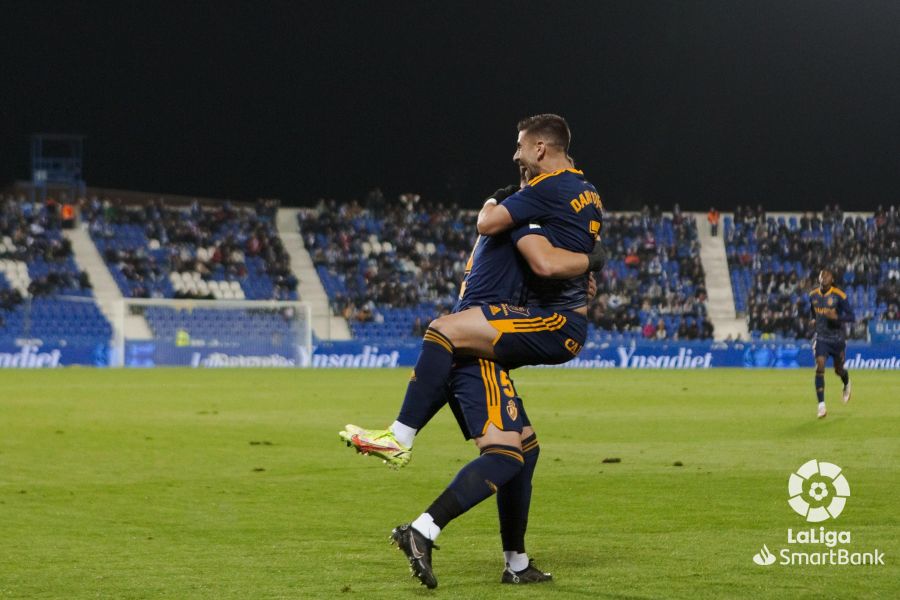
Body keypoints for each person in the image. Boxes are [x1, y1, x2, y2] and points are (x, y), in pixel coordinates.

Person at [341, 114, 603, 465]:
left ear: (540, 148)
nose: (515, 155)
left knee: (444, 334)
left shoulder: (541, 197)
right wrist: (589, 265)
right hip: (507, 319)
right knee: (519, 448)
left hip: (508, 320)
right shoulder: (586, 192)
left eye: (520, 146)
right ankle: (407, 452)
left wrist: (499, 196)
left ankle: (401, 440)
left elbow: (493, 228)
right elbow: (571, 250)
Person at [808, 269, 855, 418]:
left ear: (832, 279)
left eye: (826, 276)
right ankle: (821, 406)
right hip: (821, 338)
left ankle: (846, 383)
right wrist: (813, 319)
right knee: (820, 365)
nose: (823, 277)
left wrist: (836, 317)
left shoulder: (839, 295)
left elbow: (851, 317)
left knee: (838, 370)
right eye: (821, 275)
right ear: (819, 278)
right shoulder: (813, 295)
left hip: (837, 339)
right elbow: (812, 310)